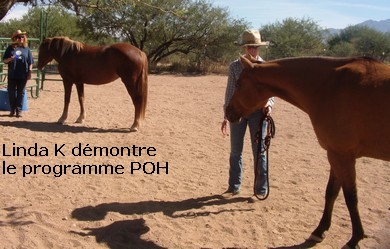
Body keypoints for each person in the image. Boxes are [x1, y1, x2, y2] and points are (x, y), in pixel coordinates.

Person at [221, 30, 274, 198]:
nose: (253, 50)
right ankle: (234, 186)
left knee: (259, 151)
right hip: (238, 112)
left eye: (256, 47)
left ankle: (260, 189)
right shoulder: (235, 67)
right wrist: (226, 115)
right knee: (236, 150)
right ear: (245, 48)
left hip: (258, 114)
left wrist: (270, 105)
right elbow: (230, 92)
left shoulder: (265, 67)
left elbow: (271, 92)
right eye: (250, 47)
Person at [2, 30, 34, 117]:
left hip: (23, 75)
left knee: (21, 93)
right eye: (19, 37)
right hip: (12, 74)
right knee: (11, 93)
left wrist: (30, 73)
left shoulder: (27, 49)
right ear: (15, 38)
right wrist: (10, 59)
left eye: (23, 37)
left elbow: (30, 62)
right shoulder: (10, 48)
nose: (21, 39)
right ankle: (12, 110)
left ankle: (19, 111)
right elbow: (4, 60)